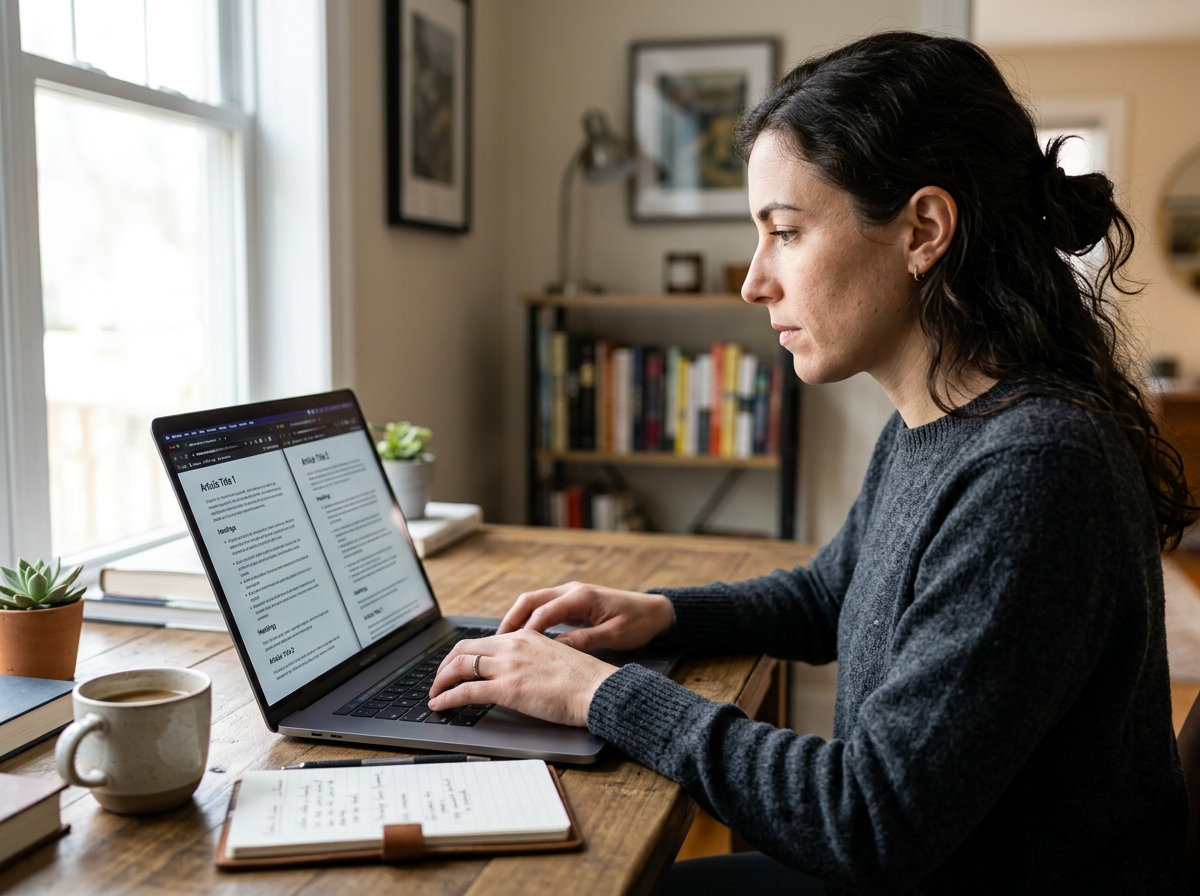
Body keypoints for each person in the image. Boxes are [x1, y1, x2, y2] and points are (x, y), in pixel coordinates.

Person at [429, 31, 1195, 894]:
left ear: (924, 229)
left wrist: (598, 695)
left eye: (784, 232)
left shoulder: (1035, 469)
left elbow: (868, 818)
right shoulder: (938, 416)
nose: (755, 281)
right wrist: (656, 614)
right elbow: (832, 594)